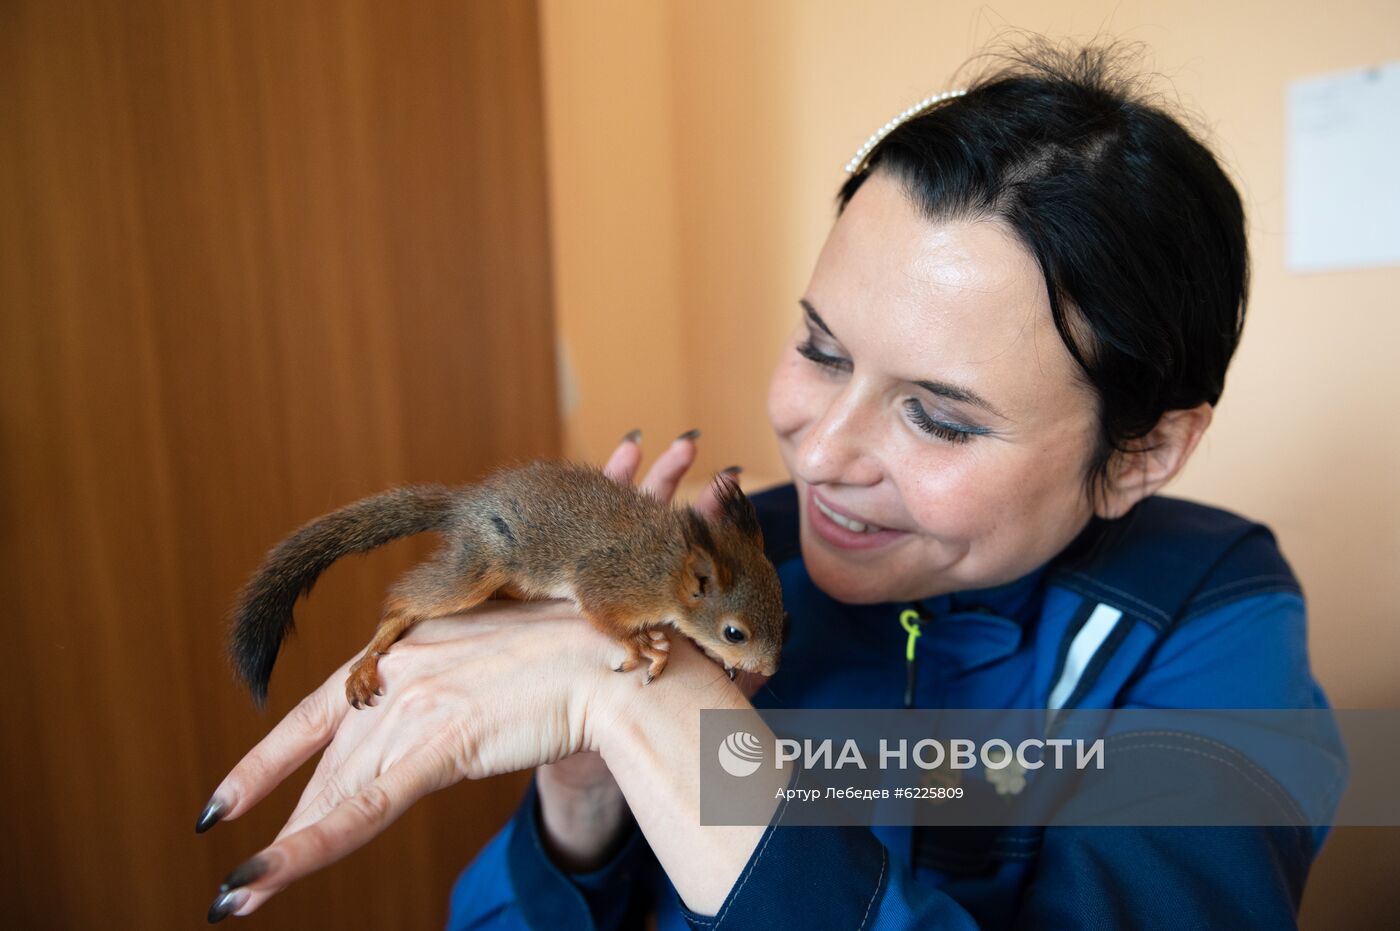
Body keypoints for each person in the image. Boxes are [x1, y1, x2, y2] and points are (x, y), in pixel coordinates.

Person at [199, 38, 1344, 928]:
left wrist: (666, 722)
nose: (818, 451)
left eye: (939, 416)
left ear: (1140, 453)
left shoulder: (1212, 616)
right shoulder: (735, 558)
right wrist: (584, 795)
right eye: (819, 349)